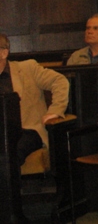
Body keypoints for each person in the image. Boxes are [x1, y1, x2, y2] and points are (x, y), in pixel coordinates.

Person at [0, 34, 69, 165]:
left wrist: (55, 110)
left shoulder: (27, 68)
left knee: (11, 151)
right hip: (2, 134)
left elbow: (59, 81)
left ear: (4, 53)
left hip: (27, 131)